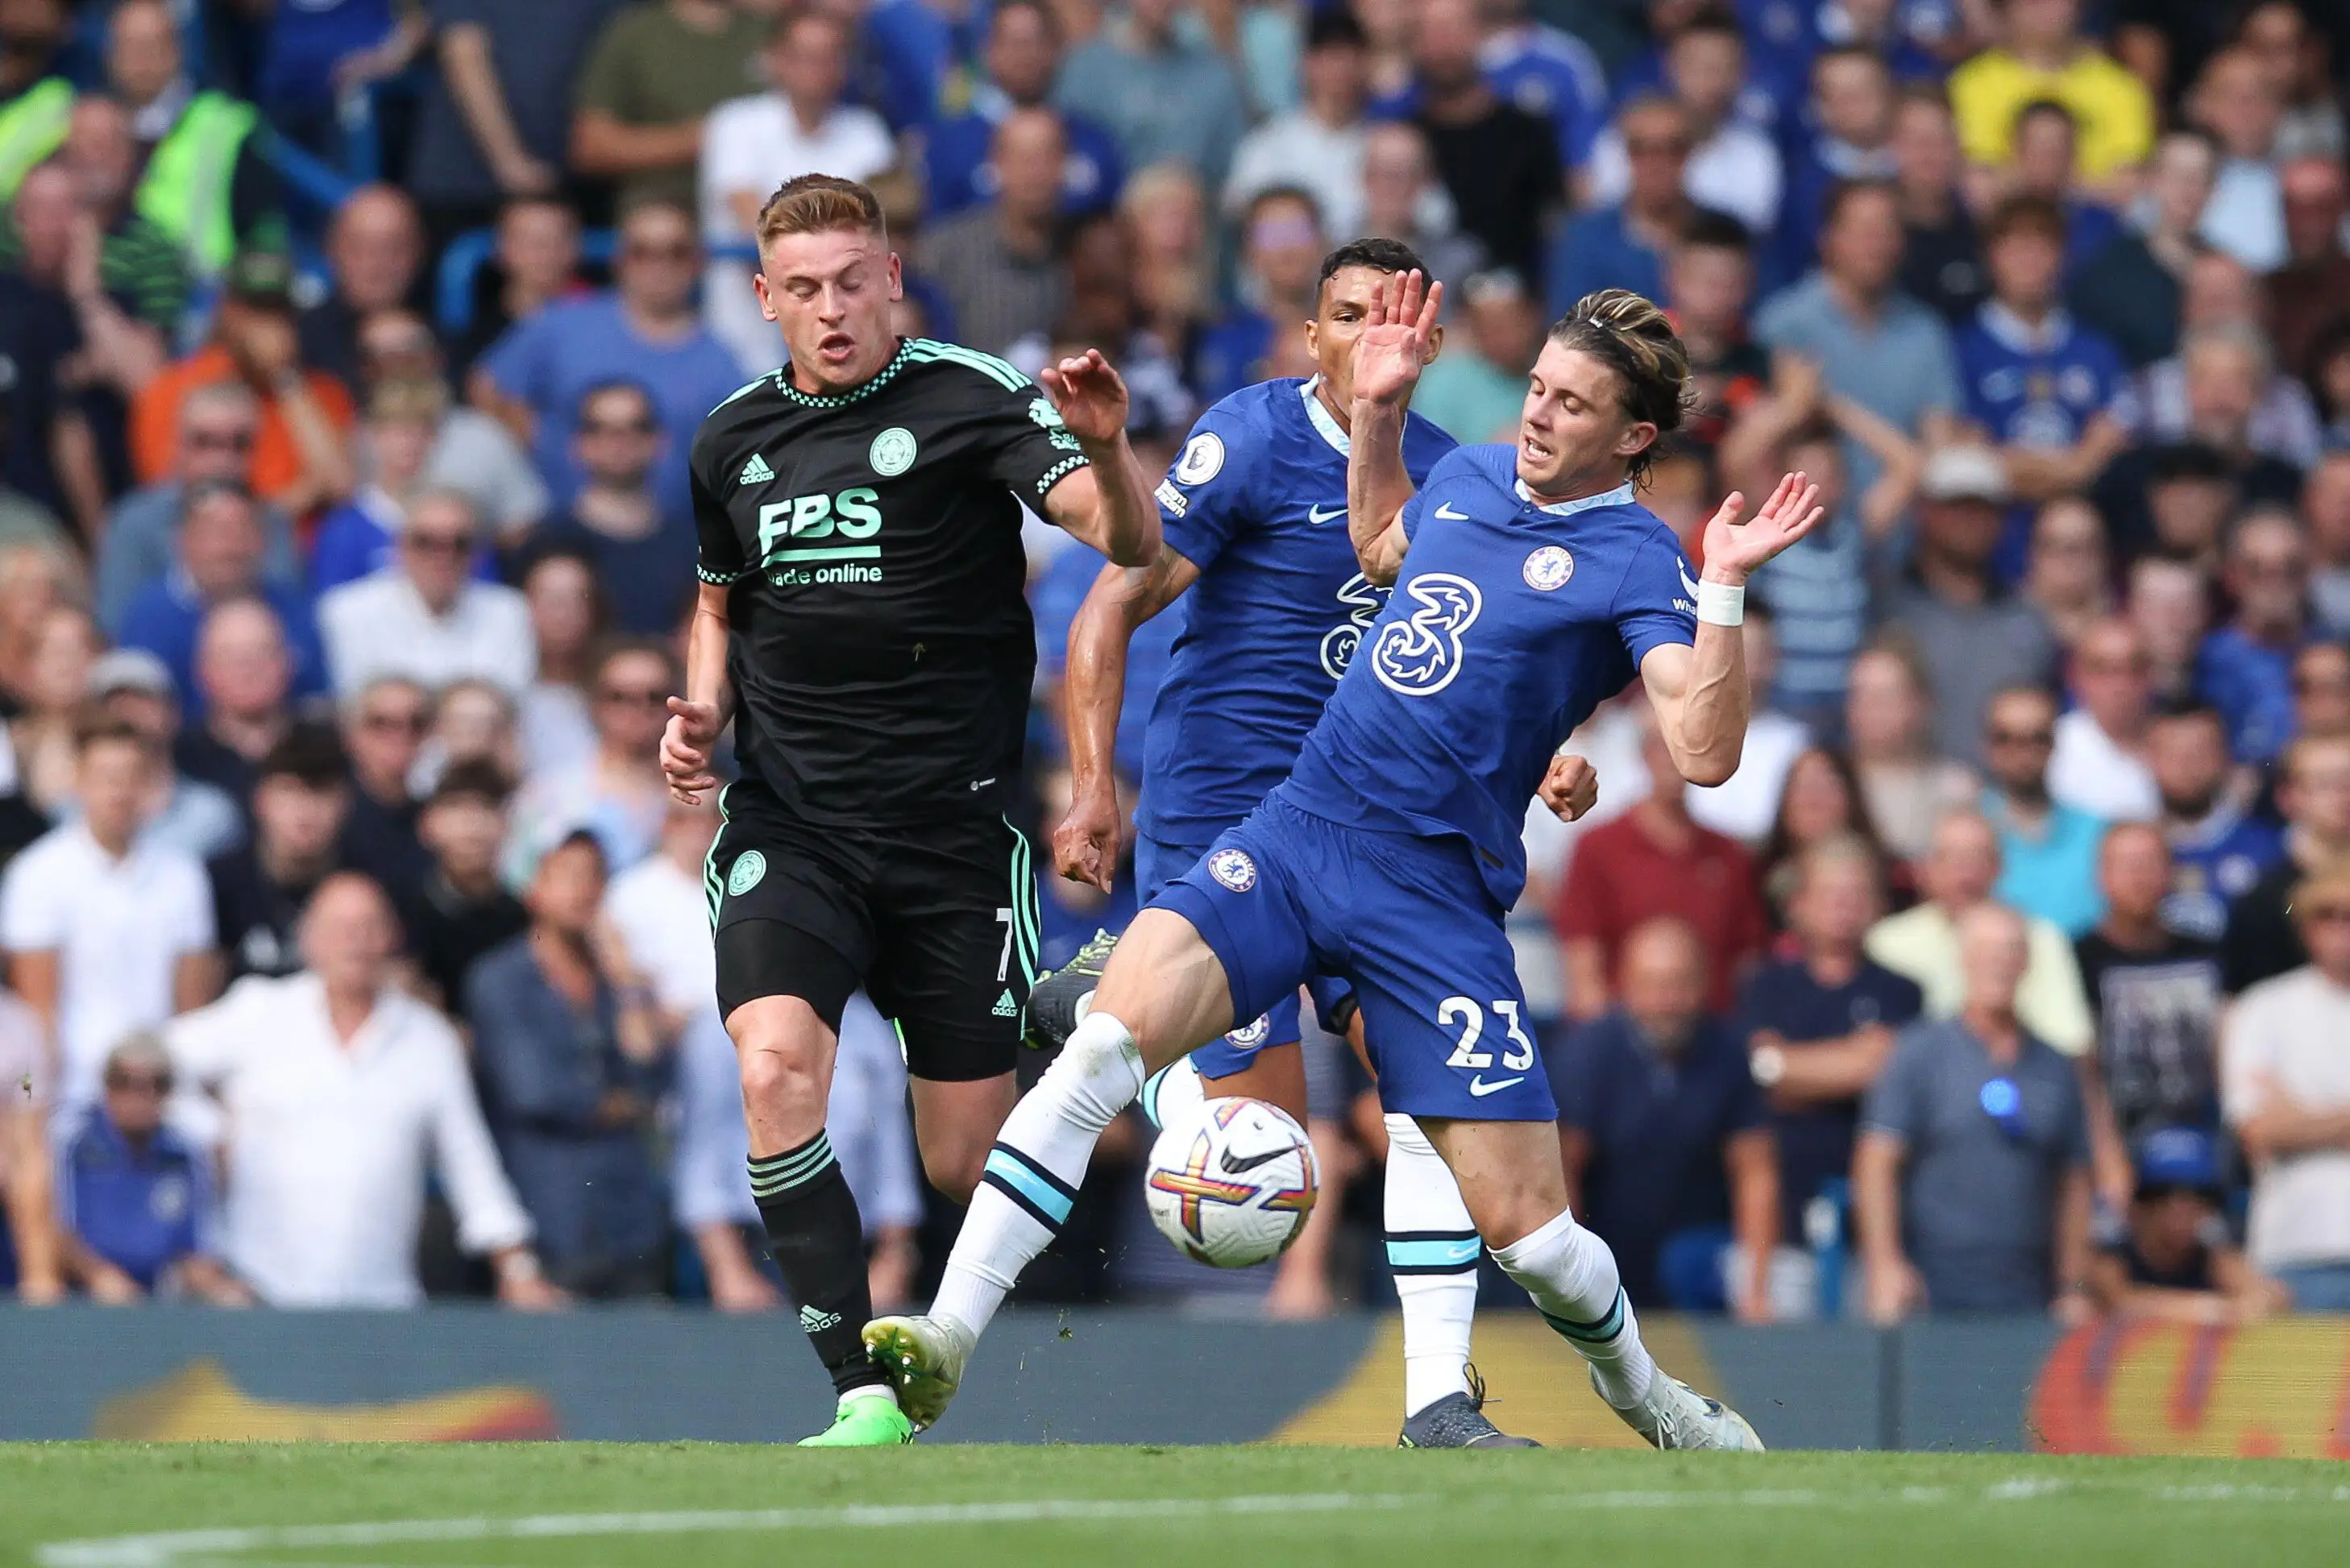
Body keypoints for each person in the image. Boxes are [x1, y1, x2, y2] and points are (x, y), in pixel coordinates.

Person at [862, 284, 1823, 1451]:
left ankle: (1650, 1398)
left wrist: (1724, 583)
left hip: (1436, 898)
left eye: (1573, 405)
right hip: (1303, 830)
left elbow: (1707, 752)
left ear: (1633, 437)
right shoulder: (1470, 475)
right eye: (1537, 389)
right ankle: (945, 1336)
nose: (1538, 414)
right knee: (1101, 1046)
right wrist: (1377, 415)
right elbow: (1379, 545)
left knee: (1533, 1235)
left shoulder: (1637, 559)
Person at [657, 174, 1161, 1447]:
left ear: (892, 279)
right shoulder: (729, 440)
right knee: (774, 1068)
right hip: (795, 826)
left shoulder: (970, 395)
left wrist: (1107, 446)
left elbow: (1128, 541)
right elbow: (716, 601)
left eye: (851, 281)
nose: (831, 309)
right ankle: (860, 1388)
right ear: (763, 298)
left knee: (963, 1161)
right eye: (803, 289)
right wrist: (701, 707)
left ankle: (1089, 1020)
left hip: (952, 839)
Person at [1034, 235, 1551, 1445]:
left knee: (1435, 1097)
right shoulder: (1252, 439)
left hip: (1367, 838)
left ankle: (1439, 1399)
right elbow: (1114, 599)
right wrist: (1098, 786)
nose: (1374, 335)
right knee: (1261, 1164)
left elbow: (1469, 673)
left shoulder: (1453, 483)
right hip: (1224, 824)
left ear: (1430, 342)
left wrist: (1551, 753)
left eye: (1396, 316)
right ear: (1313, 335)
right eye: (1348, 314)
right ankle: (1133, 1017)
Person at [166, 872, 561, 1309]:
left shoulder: (428, 1039)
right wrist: (209, 1128)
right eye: (339, 929)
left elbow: (469, 1162)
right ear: (309, 939)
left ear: (392, 939)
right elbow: (145, 1060)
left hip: (382, 1305)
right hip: (260, 1297)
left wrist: (517, 1269)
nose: (355, 942)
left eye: (369, 927)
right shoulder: (258, 1012)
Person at [1854, 901, 2095, 1321]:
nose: (1998, 963)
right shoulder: (1919, 1052)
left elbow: (2075, 1182)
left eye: (2010, 951)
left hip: (2029, 1288)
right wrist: (1885, 1265)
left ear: (2027, 963)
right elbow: (1877, 1161)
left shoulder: (2056, 1066)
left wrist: (2073, 1286)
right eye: (1985, 951)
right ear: (1963, 960)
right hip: (1933, 1285)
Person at [466, 832, 671, 1299]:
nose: (584, 889)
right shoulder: (500, 979)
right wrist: (622, 1105)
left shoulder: (620, 978)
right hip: (548, 1219)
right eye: (567, 875)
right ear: (533, 888)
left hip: (632, 1223)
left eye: (595, 875)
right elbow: (536, 1092)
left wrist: (629, 988)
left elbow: (652, 1081)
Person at [1556, 915, 1782, 1320]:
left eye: (1680, 984)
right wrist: (1571, 1281)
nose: (1666, 1002)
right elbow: (1562, 1171)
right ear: (1625, 984)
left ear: (1704, 983)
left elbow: (1755, 1172)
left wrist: (1756, 1289)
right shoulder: (1588, 1054)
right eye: (1652, 985)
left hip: (1701, 1259)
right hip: (1606, 1252)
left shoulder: (1729, 1053)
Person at [1736, 836, 1923, 1302]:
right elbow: (1757, 1072)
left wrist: (1790, 1066)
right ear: (1798, 905)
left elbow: (1890, 1070)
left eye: (1856, 894)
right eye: (1830, 894)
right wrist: (1855, 1059)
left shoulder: (1902, 992)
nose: (1844, 906)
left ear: (1877, 905)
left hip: (1875, 1225)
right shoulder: (1765, 986)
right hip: (1780, 1216)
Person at [0, 716, 217, 1110]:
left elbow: (191, 1010)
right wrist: (34, 1106)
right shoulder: (36, 874)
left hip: (163, 1089)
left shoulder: (184, 876)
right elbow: (36, 1016)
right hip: (72, 1093)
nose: (119, 792)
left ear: (150, 785)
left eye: (132, 778)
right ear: (78, 780)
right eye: (106, 777)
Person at [475, 200, 747, 510]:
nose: (659, 265)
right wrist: (537, 448)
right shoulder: (562, 323)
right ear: (620, 260)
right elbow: (488, 387)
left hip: (669, 532)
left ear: (698, 262)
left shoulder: (721, 363)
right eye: (642, 252)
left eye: (676, 252)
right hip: (555, 523)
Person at [697, 7, 895, 377]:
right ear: (775, 59)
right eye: (805, 55)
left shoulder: (868, 133)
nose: (817, 68)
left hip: (841, 334)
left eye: (829, 56)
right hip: (741, 334)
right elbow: (758, 228)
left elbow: (882, 230)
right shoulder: (734, 124)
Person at [1559, 704, 1772, 1020]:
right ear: (1644, 754)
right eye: (1665, 746)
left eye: (1688, 748)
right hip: (1625, 1028)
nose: (1674, 759)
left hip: (1713, 1028)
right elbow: (1583, 967)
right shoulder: (1597, 848)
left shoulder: (1729, 855)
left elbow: (1748, 962)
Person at [127, 250, 356, 518]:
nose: (267, 325)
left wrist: (285, 378)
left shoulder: (323, 392)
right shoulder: (173, 388)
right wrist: (302, 496)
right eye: (254, 310)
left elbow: (342, 485)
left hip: (304, 544)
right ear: (226, 311)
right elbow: (173, 503)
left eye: (277, 311)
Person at [2221, 858, 2350, 1310]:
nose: (2341, 927)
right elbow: (2259, 1130)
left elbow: (2282, 1124)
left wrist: (2302, 1115)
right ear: (2306, 928)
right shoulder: (2264, 1008)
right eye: (2328, 915)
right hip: (2295, 1249)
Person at [1879, 446, 2059, 764]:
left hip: (2005, 791)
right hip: (1910, 786)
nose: (1971, 520)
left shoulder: (2029, 619)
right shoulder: (1887, 608)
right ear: (1924, 511)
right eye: (1957, 506)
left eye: (1985, 508)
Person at [1865, 809, 2096, 1056]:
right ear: (1925, 868)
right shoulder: (1886, 942)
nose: (1965, 873)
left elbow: (2070, 1042)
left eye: (1978, 858)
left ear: (2000, 867)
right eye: (1951, 859)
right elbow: (1875, 1046)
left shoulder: (2042, 938)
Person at [2075, 823, 2223, 1187]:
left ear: (2171, 872)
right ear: (2100, 877)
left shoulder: (2208, 954)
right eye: (2126, 865)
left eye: (2150, 863)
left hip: (2209, 1144)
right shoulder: (2077, 960)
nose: (2139, 877)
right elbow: (2082, 1068)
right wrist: (2106, 1154)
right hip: (2120, 1149)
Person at [92, 381, 300, 635]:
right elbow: (115, 629)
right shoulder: (135, 523)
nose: (222, 459)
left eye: (239, 443)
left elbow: (289, 622)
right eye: (204, 442)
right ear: (177, 447)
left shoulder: (272, 520)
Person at [55, 1031, 249, 1304]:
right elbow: (49, 1231)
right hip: (77, 1300)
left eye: (158, 1084)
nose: (142, 1095)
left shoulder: (182, 1157)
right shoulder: (72, 1145)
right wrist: (97, 1275)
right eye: (126, 1082)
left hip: (153, 1303)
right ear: (107, 1086)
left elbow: (194, 1252)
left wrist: (217, 1287)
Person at [115, 479, 326, 712]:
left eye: (243, 530)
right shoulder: (149, 618)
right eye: (215, 531)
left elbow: (317, 703)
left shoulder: (295, 608)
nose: (230, 546)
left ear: (264, 539)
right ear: (182, 540)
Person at [1394, 0, 1563, 284]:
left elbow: (1555, 230)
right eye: (1429, 31)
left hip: (1516, 297)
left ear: (1480, 34)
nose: (1442, 46)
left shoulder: (1528, 133)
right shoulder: (1402, 139)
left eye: (1452, 29)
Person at [318, 489, 534, 699]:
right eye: (425, 542)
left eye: (459, 544)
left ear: (477, 554)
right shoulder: (349, 613)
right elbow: (360, 707)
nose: (443, 556)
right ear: (399, 548)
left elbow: (508, 707)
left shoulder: (510, 613)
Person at [568, 0, 770, 218]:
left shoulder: (767, 30)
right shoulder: (637, 34)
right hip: (663, 202)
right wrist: (700, 139)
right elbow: (591, 146)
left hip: (759, 196)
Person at [928, 0, 1123, 225]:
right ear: (988, 51)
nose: (1026, 55)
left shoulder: (1093, 143)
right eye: (1014, 43)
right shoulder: (953, 146)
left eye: (1037, 41)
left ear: (1058, 49)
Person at [537, 380, 697, 636]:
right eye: (601, 428)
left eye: (637, 426)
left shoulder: (697, 546)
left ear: (661, 441)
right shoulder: (545, 543)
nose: (620, 440)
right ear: (578, 443)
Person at [506, 639, 673, 879]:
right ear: (596, 703)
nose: (638, 708)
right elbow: (519, 879)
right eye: (619, 697)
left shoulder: (700, 800)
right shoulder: (550, 794)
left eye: (655, 697)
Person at [1948, 0, 2154, 188]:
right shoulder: (1970, 86)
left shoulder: (2121, 88)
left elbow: (2129, 183)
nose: (2046, 7)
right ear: (2006, 6)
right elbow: (1978, 182)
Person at [2087, 1125, 2282, 1323]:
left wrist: (2247, 1304)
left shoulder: (2210, 1258)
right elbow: (2118, 1302)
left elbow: (2272, 1296)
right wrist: (2208, 1309)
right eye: (2163, 1195)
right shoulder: (2114, 1256)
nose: (2181, 1209)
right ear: (2140, 1204)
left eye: (2198, 1196)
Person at [921, 110, 1071, 358]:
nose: (1035, 173)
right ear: (996, 164)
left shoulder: (1082, 251)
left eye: (1046, 157)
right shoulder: (947, 251)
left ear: (1065, 165)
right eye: (1023, 159)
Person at [1053, 0, 1246, 193]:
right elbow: (1073, 161)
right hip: (1108, 205)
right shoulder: (1086, 70)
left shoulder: (1214, 75)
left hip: (1195, 205)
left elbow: (1229, 170)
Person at [1547, 94, 1705, 318]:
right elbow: (1571, 326)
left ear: (1691, 153)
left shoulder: (1722, 233)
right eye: (1641, 148)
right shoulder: (1585, 240)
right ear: (1626, 153)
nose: (1657, 162)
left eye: (1673, 148)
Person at [1223, 8, 1369, 240]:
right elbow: (1244, 216)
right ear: (1306, 63)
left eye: (1351, 58)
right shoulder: (1270, 143)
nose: (1341, 70)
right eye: (1331, 57)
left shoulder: (1382, 144)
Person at [2223, 732, 2350, 995]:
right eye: (2326, 784)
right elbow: (2248, 998)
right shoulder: (2263, 900)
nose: (2343, 796)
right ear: (2287, 797)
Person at [1979, 685, 2107, 937]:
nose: (2022, 752)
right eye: (2005, 738)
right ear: (1987, 746)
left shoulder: (2097, 834)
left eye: (2037, 738)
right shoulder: (1967, 834)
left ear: (2055, 743)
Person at [1844, 639, 1979, 865]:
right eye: (1860, 694)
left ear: (1920, 703)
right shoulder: (1833, 787)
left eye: (1885, 696)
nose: (1869, 707)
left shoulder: (1955, 789)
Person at [2195, 508, 2311, 767]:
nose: (2275, 584)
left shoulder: (2335, 654)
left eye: (2290, 569)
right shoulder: (2203, 662)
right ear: (2231, 576)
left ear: (2308, 573)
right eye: (2256, 570)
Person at [296, 186, 425, 391]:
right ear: (331, 250)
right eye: (360, 248)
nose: (377, 264)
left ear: (419, 251)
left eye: (394, 248)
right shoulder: (297, 343)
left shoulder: (448, 340)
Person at [2049, 617, 2159, 822]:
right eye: (2102, 670)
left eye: (2134, 669)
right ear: (2074, 677)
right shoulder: (2054, 749)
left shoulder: (2180, 742)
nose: (2120, 685)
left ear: (2152, 674)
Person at [0, 974, 59, 1302]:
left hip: (9, 1147)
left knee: (32, 1167)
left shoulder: (20, 1028)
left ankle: (39, 1281)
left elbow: (27, 1097)